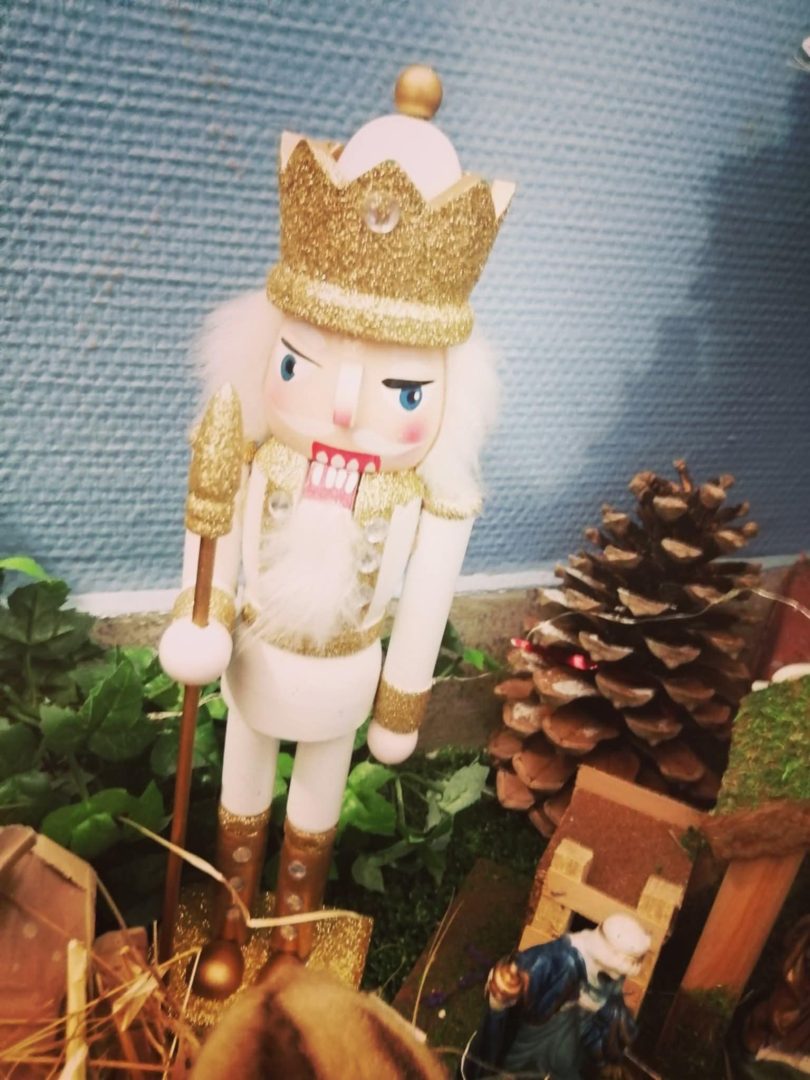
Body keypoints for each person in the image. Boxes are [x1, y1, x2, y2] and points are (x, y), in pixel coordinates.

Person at [158, 65, 515, 983]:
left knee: (318, 794)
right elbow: (212, 531)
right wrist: (203, 616)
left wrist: (402, 703)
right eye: (302, 366)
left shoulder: (420, 497)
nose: (347, 409)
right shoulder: (254, 456)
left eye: (403, 389)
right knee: (242, 782)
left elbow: (425, 598)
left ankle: (294, 928)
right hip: (255, 657)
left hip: (349, 671)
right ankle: (230, 921)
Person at [462, 914, 651, 1080]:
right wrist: (505, 992)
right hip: (532, 1035)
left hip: (565, 1035)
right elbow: (518, 980)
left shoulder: (609, 981)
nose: (617, 978)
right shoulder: (558, 961)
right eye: (614, 972)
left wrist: (610, 1049)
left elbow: (606, 1013)